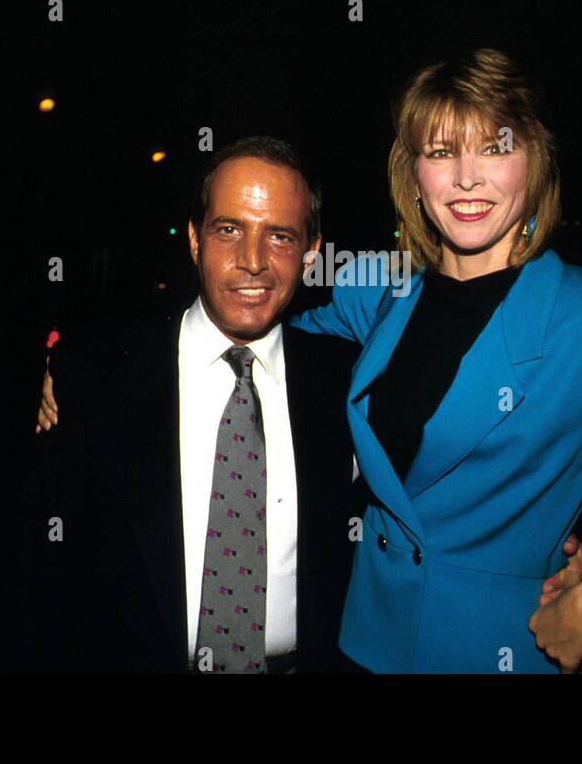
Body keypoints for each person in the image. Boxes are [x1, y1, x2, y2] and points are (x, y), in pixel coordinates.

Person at [40, 49, 582, 673]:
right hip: (357, 645)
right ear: (414, 174)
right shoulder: (384, 293)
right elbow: (252, 317)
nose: (466, 176)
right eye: (440, 151)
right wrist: (88, 367)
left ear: (535, 159)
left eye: (494, 146)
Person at [23, 136, 367, 673]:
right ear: (193, 239)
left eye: (279, 236)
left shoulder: (348, 383)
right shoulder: (95, 379)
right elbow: (47, 574)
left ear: (311, 252)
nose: (252, 261)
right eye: (228, 230)